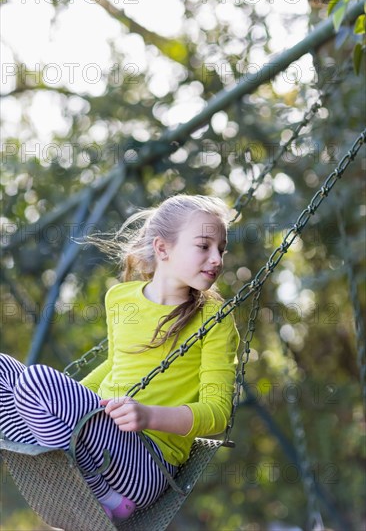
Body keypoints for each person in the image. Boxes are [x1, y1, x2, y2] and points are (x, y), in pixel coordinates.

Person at [0, 194, 240, 522]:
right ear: (162, 248)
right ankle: (56, 470)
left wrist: (148, 416)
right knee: (9, 372)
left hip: (146, 465)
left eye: (221, 249)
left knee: (36, 381)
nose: (217, 259)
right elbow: (115, 364)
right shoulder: (120, 298)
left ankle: (103, 497)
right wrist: (66, 402)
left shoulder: (215, 317)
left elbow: (217, 414)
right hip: (101, 440)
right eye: (204, 246)